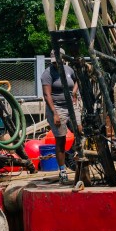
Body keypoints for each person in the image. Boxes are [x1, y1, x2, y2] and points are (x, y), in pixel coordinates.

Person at [41, 48, 79, 184]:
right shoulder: (47, 73)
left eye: (58, 61)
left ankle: (73, 155)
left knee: (80, 131)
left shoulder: (69, 70)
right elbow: (47, 95)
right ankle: (62, 170)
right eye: (54, 61)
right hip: (57, 107)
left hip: (71, 106)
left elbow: (77, 80)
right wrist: (55, 113)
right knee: (61, 139)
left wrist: (74, 92)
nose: (56, 63)